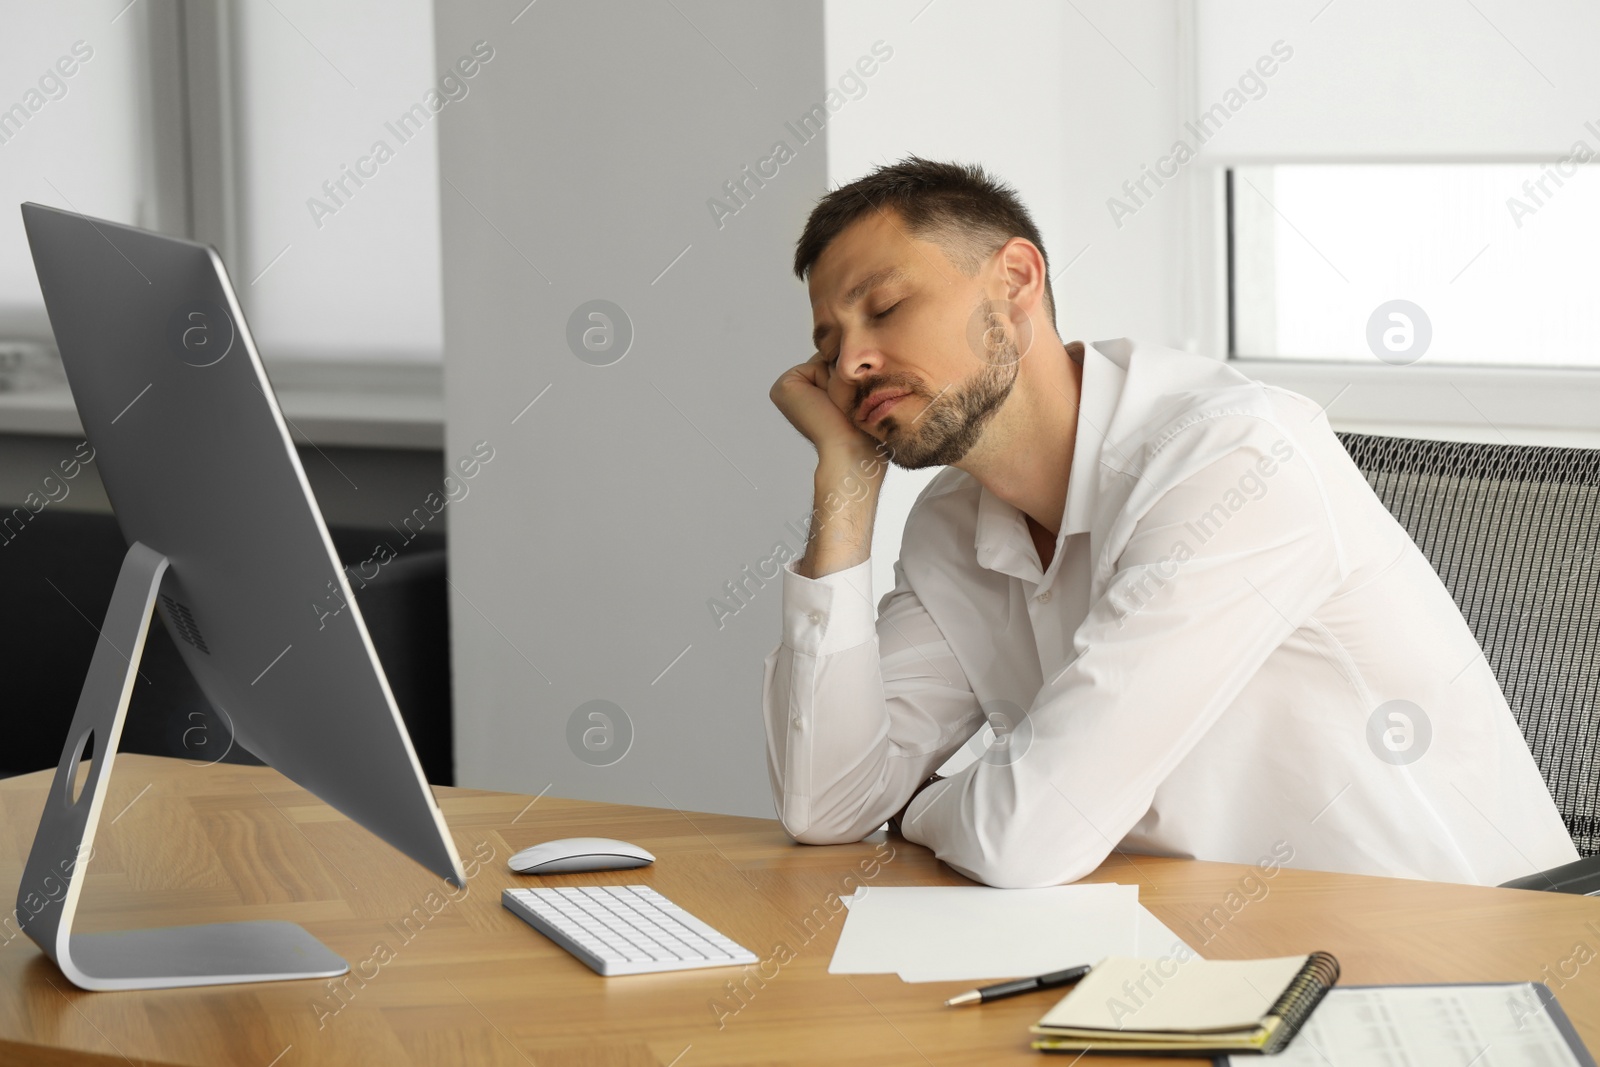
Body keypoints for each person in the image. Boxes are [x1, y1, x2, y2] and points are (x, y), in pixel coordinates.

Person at [762, 156, 1577, 889]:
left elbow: (1030, 837)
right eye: (828, 346)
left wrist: (925, 805)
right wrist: (844, 492)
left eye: (886, 307)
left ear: (1014, 281)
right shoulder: (952, 526)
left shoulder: (1236, 458)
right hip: (1201, 964)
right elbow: (829, 804)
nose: (852, 364)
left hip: (1454, 978)